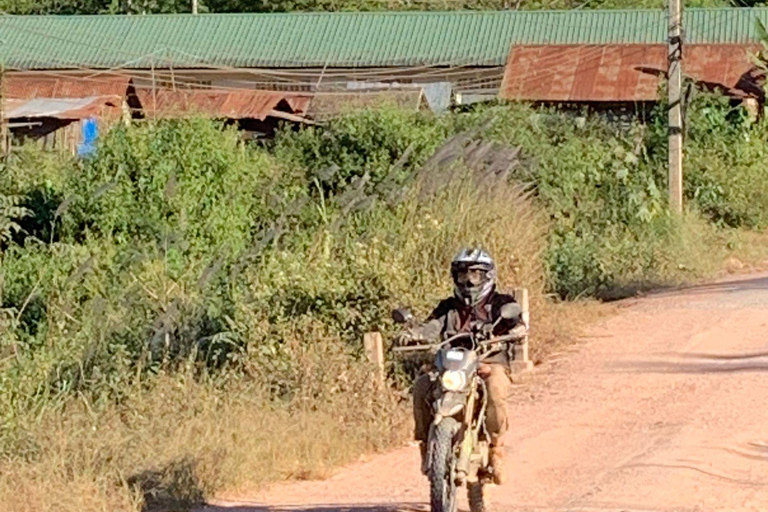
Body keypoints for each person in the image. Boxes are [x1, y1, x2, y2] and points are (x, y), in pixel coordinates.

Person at [401, 248, 525, 485]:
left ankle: (496, 447)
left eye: (475, 275)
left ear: (488, 277)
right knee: (421, 386)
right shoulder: (447, 307)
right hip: (452, 364)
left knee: (496, 389)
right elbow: (432, 326)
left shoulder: (502, 303)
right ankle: (427, 445)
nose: (468, 281)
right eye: (462, 275)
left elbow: (516, 322)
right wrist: (415, 333)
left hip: (489, 360)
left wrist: (517, 331)